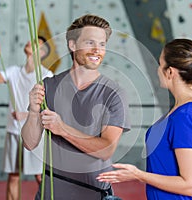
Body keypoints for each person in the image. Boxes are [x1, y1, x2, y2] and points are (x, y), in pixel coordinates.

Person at [97, 38, 192, 199]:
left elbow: (190, 185)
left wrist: (138, 175)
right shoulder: (184, 111)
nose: (157, 70)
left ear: (170, 72)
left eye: (160, 63)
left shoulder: (185, 117)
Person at [21, 14, 130, 200]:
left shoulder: (113, 93)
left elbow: (106, 149)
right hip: (52, 193)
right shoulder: (48, 86)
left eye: (102, 44)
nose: (97, 50)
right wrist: (32, 112)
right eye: (90, 42)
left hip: (93, 194)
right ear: (72, 45)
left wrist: (62, 129)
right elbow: (29, 143)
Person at [0, 37, 53, 200]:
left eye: (36, 43)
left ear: (41, 53)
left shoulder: (46, 75)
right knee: (13, 176)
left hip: (35, 134)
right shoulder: (14, 71)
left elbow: (50, 107)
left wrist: (26, 114)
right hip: (14, 131)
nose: (29, 42)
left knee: (39, 176)